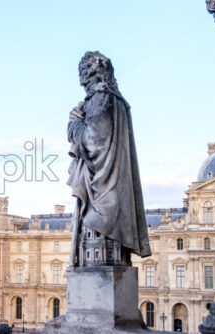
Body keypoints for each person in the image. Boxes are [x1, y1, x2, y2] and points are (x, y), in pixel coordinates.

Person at [67, 51, 151, 265]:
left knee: (96, 251)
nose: (81, 82)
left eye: (83, 76)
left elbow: (92, 142)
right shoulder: (119, 101)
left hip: (101, 199)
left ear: (91, 75)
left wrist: (74, 124)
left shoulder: (100, 97)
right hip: (116, 195)